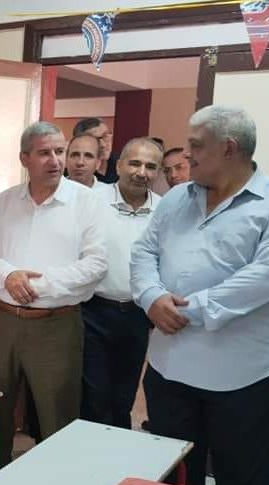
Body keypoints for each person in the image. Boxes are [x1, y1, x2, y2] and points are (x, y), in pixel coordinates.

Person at [131, 105, 269, 485]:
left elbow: (262, 279)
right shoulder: (176, 198)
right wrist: (151, 297)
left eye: (196, 145)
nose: (186, 155)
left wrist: (185, 310)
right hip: (170, 369)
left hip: (242, 379)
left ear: (228, 148)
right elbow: (143, 252)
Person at [0, 121, 107, 476]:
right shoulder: (3, 203)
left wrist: (38, 286)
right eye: (45, 153)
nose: (56, 160)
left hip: (55, 325)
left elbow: (96, 264)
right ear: (24, 158)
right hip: (1, 320)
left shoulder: (86, 203)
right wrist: (8, 275)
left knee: (57, 413)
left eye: (60, 152)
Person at [82, 138, 162, 430]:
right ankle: (93, 452)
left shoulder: (164, 210)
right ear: (118, 166)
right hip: (92, 312)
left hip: (137, 316)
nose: (142, 172)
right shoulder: (92, 201)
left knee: (124, 395)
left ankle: (118, 450)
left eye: (150, 166)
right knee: (94, 395)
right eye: (135, 163)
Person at [73, 118, 118, 183]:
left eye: (105, 136)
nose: (103, 145)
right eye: (94, 140)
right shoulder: (75, 172)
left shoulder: (123, 164)